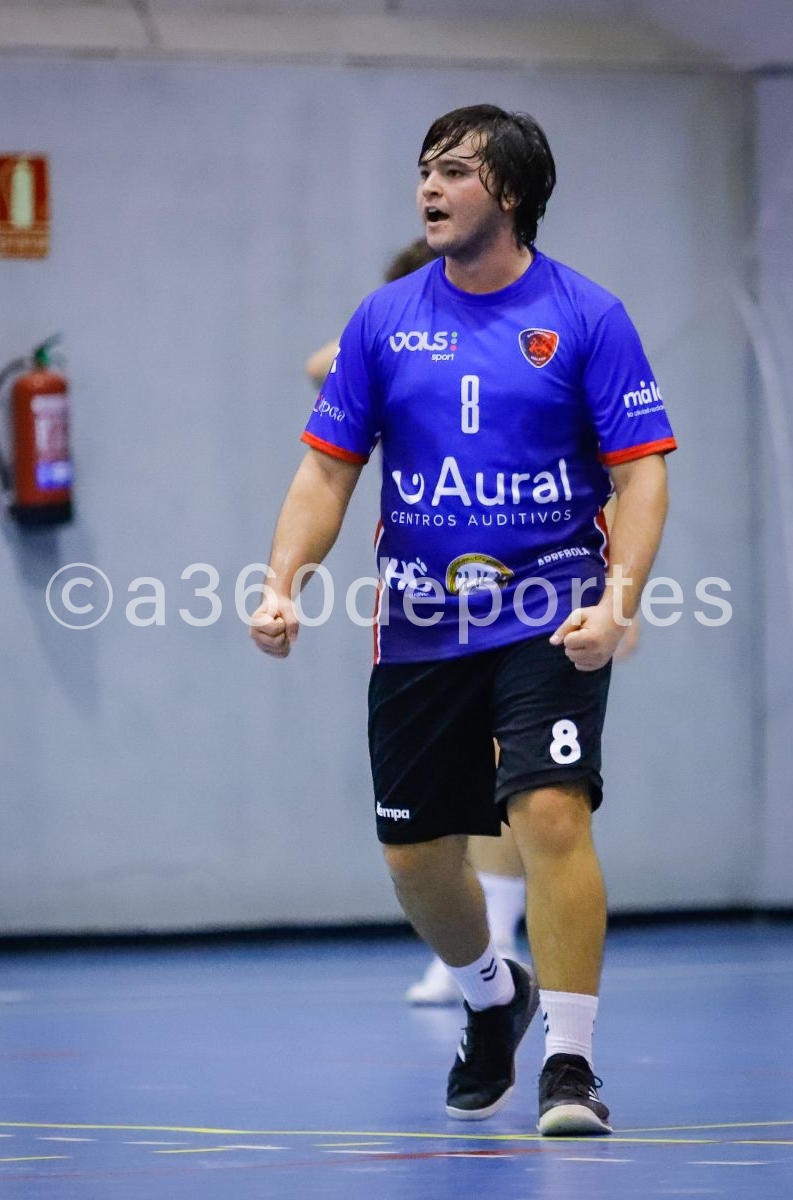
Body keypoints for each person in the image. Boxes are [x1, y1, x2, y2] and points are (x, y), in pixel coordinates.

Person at [252, 104, 675, 1136]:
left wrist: (618, 600)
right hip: (421, 622)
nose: (428, 189)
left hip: (549, 608)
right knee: (413, 856)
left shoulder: (588, 316)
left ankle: (570, 1065)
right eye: (424, 170)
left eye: (453, 172)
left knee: (549, 812)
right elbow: (326, 468)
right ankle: (494, 994)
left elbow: (642, 472)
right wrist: (282, 577)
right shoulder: (383, 320)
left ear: (512, 193)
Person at [305, 239, 530, 1007]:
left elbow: (580, 475)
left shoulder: (514, 366)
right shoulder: (390, 343)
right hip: (427, 614)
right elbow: (322, 365)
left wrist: (619, 595)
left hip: (528, 605)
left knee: (518, 781)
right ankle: (479, 947)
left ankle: (498, 938)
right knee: (432, 814)